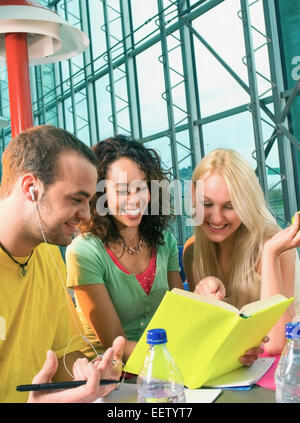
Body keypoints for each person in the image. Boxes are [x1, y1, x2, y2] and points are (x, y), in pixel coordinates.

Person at [0, 125, 125, 403]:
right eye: (76, 199)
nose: (85, 214)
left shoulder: (45, 253)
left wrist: (89, 376)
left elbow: (63, 354)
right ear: (31, 188)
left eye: (90, 201)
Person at [65, 136, 184, 364]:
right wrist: (175, 361)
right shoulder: (84, 252)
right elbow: (115, 344)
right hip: (108, 376)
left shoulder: (164, 241)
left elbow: (181, 314)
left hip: (162, 364)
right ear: (99, 195)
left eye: (141, 187)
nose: (135, 199)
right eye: (121, 191)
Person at [183, 148, 300, 356]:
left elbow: (276, 344)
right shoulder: (192, 253)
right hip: (234, 371)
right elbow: (203, 338)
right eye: (207, 204)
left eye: (229, 206)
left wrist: (270, 255)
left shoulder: (274, 244)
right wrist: (201, 301)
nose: (216, 218)